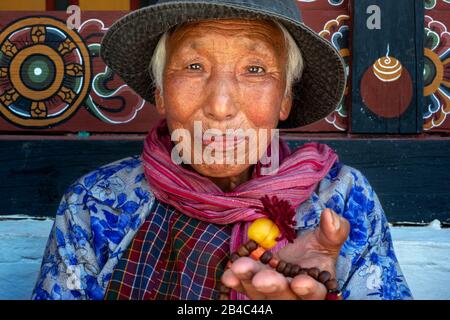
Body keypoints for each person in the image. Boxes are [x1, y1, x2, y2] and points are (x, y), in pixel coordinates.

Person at [32, 0, 412, 300]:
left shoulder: (342, 199)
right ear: (161, 92)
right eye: (194, 66)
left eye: (256, 70)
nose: (220, 105)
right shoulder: (96, 203)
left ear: (285, 100)